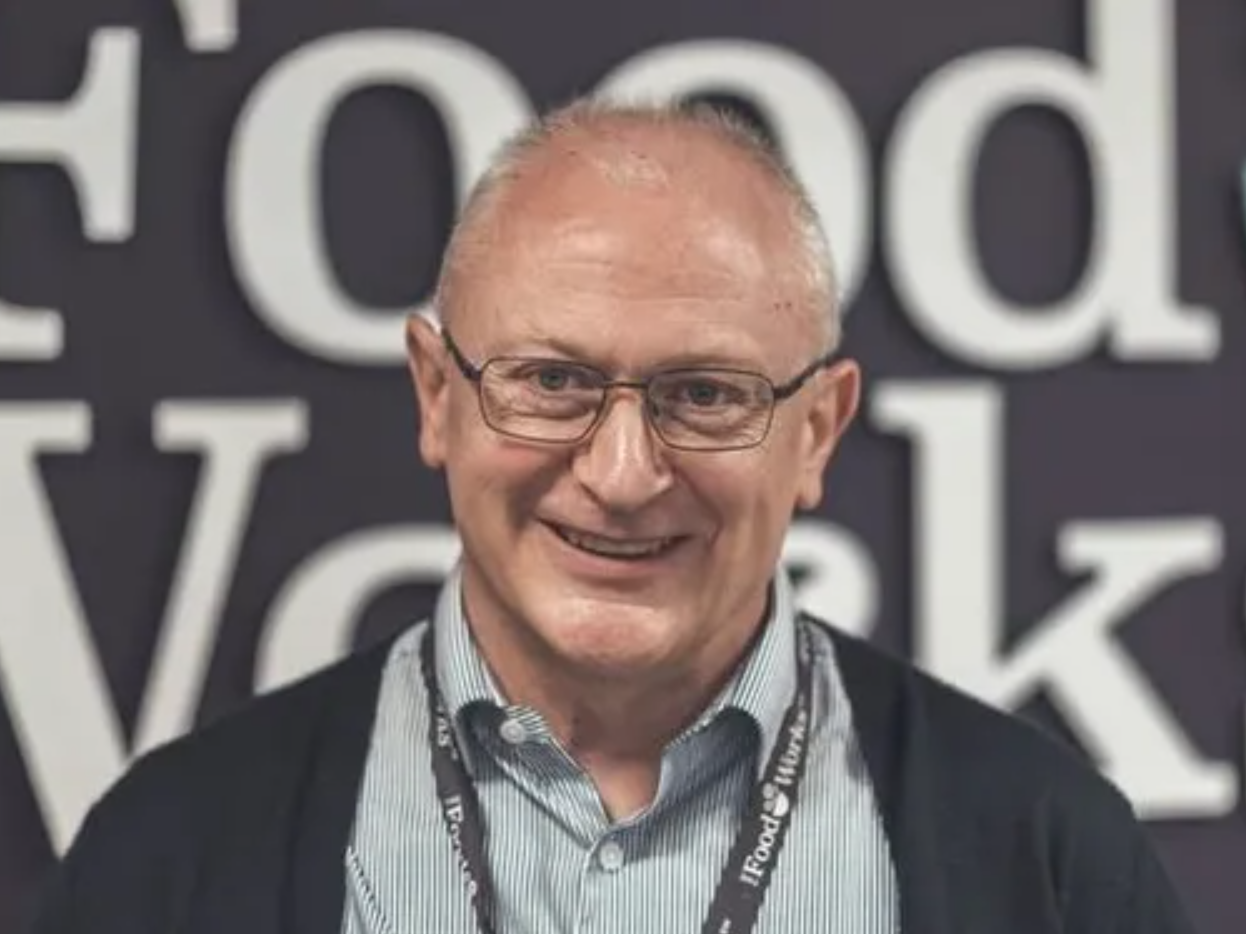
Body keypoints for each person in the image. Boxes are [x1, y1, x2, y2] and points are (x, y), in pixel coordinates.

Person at [28, 98, 1196, 934]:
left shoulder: (1047, 860)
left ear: (818, 433)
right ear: (438, 397)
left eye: (705, 394)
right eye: (549, 380)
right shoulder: (167, 857)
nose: (624, 471)